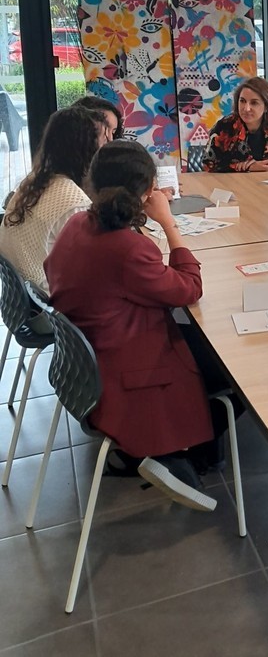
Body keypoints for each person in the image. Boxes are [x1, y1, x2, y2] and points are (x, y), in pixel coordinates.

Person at [44, 140, 218, 511]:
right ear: (144, 193)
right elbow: (190, 288)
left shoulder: (78, 223)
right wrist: (169, 223)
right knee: (226, 368)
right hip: (131, 372)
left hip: (89, 362)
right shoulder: (126, 248)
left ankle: (163, 451)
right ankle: (175, 456)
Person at [0, 106, 104, 290]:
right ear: (87, 147)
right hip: (51, 303)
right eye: (103, 137)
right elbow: (89, 272)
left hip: (22, 299)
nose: (108, 142)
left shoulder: (32, 182)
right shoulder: (73, 202)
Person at [203, 77, 268, 173]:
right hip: (235, 184)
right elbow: (208, 163)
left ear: (266, 106)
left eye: (254, 103)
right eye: (242, 101)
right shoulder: (225, 126)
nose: (246, 108)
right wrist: (246, 166)